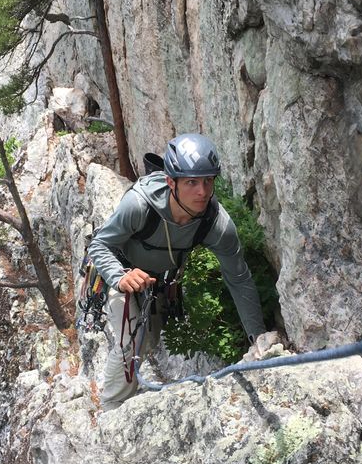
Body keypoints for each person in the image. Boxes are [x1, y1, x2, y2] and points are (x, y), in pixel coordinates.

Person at [87, 133, 267, 410]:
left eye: (208, 180)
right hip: (119, 271)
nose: (203, 192)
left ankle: (126, 397)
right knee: (133, 340)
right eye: (192, 182)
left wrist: (259, 339)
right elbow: (99, 245)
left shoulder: (215, 224)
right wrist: (121, 276)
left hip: (158, 283)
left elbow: (239, 279)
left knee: (147, 341)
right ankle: (111, 409)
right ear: (171, 182)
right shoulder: (139, 205)